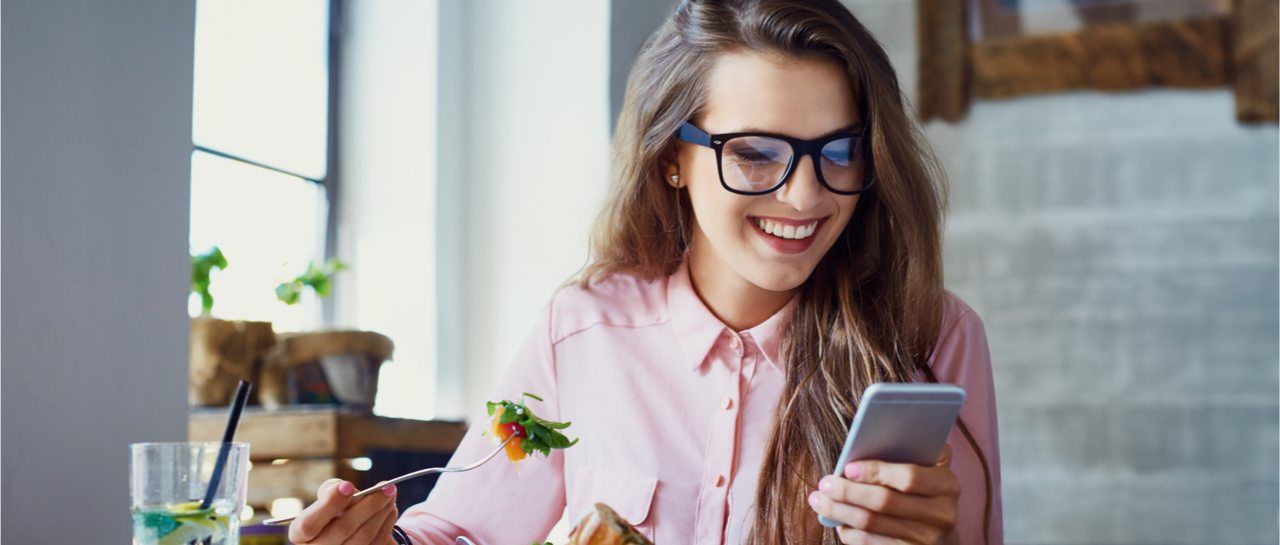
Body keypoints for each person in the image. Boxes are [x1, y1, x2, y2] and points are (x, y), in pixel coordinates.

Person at [286, 0, 1002, 543]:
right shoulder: (583, 328)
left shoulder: (932, 334)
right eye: (754, 153)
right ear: (671, 157)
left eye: (839, 151)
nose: (806, 195)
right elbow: (464, 531)